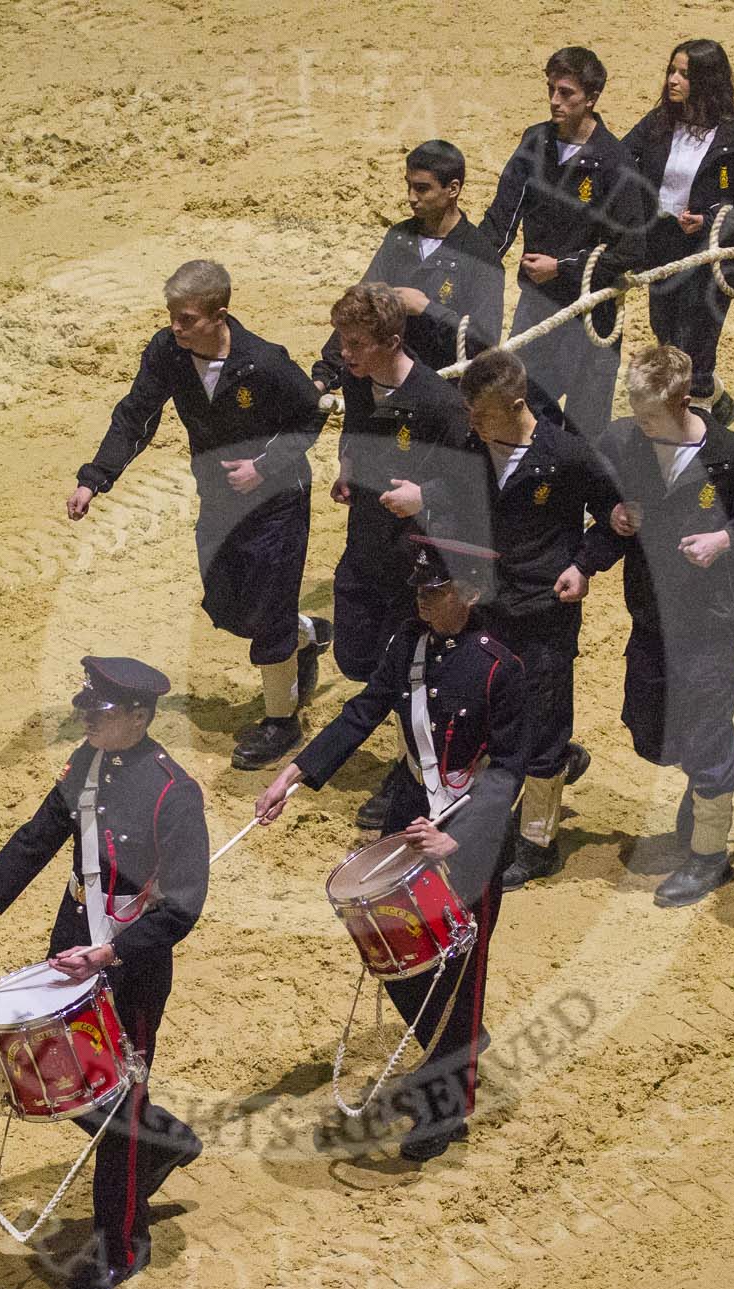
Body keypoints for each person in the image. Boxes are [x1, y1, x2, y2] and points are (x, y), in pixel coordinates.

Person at [0, 657, 206, 1289]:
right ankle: (159, 1143)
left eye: (98, 711)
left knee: (118, 1107)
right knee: (70, 1082)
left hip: (131, 961)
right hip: (73, 942)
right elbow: (35, 841)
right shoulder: (86, 765)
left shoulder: (173, 792)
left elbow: (184, 907)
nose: (85, 718)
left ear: (138, 716)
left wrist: (110, 955)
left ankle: (123, 1243)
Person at [256, 536, 526, 1163]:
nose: (424, 601)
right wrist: (295, 774)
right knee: (399, 957)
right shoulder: (408, 646)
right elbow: (363, 713)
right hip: (410, 830)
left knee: (459, 975)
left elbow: (509, 770)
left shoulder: (499, 669)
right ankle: (454, 1042)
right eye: (421, 591)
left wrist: (457, 836)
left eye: (437, 591)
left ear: (472, 594)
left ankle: (448, 1108)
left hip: (471, 843)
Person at [71, 261, 330, 769]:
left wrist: (264, 465)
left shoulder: (266, 363)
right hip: (217, 497)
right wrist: (94, 478)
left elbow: (310, 417)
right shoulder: (168, 352)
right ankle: (306, 636)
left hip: (277, 502)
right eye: (172, 315)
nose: (175, 327)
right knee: (230, 607)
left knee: (269, 614)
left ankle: (282, 720)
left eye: (186, 318)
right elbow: (135, 415)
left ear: (219, 316)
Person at [582, 345, 734, 907]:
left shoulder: (729, 454)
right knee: (649, 728)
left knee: (706, 732)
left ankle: (709, 855)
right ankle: (702, 791)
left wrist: (726, 538)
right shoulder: (624, 441)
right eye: (633, 407)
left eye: (648, 412)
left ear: (681, 400)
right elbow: (596, 494)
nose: (637, 420)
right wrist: (612, 515)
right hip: (650, 613)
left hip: (712, 619)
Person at [330, 282, 484, 827]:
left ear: (393, 341)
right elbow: (353, 428)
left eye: (354, 343)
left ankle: (411, 767)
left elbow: (474, 483)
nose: (342, 353)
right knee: (353, 657)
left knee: (405, 675)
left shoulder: (441, 405)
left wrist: (426, 497)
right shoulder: (357, 382)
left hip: (413, 567)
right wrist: (347, 465)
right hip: (363, 546)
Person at [456, 347, 609, 888]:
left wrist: (584, 565)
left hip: (546, 610)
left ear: (517, 405)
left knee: (543, 724)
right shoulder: (471, 445)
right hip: (486, 608)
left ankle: (539, 842)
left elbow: (617, 518)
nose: (472, 424)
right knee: (490, 713)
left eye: (483, 415)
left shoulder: (567, 456)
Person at [479, 45, 652, 438]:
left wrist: (562, 267)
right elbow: (502, 218)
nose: (555, 101)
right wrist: (471, 263)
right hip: (538, 304)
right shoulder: (535, 142)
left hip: (593, 312)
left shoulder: (615, 161)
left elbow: (631, 247)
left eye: (567, 93)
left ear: (591, 99)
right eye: (551, 89)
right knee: (520, 400)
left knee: (585, 421)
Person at [618, 39, 734, 425]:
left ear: (705, 81)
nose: (673, 80)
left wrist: (709, 219)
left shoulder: (733, 139)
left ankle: (698, 427)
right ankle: (715, 402)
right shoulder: (657, 125)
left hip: (711, 257)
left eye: (684, 74)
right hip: (664, 250)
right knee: (668, 337)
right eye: (672, 70)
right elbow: (619, 161)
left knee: (694, 348)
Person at [311, 141, 506, 393]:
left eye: (422, 189)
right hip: (378, 384)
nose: (411, 197)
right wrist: (325, 375)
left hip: (439, 392)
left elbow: (483, 344)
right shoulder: (399, 237)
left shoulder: (481, 256)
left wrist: (427, 310)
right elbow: (359, 311)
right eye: (409, 186)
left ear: (453, 189)